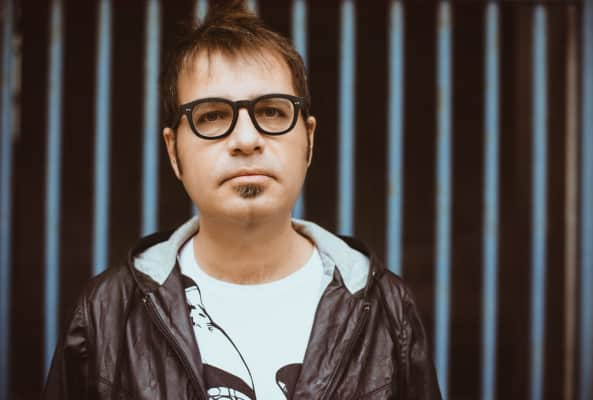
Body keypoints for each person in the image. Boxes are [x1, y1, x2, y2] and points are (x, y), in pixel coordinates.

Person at [43, 1, 441, 399]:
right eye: (212, 116)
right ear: (173, 151)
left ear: (309, 139)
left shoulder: (387, 309)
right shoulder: (107, 313)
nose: (247, 139)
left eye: (271, 112)